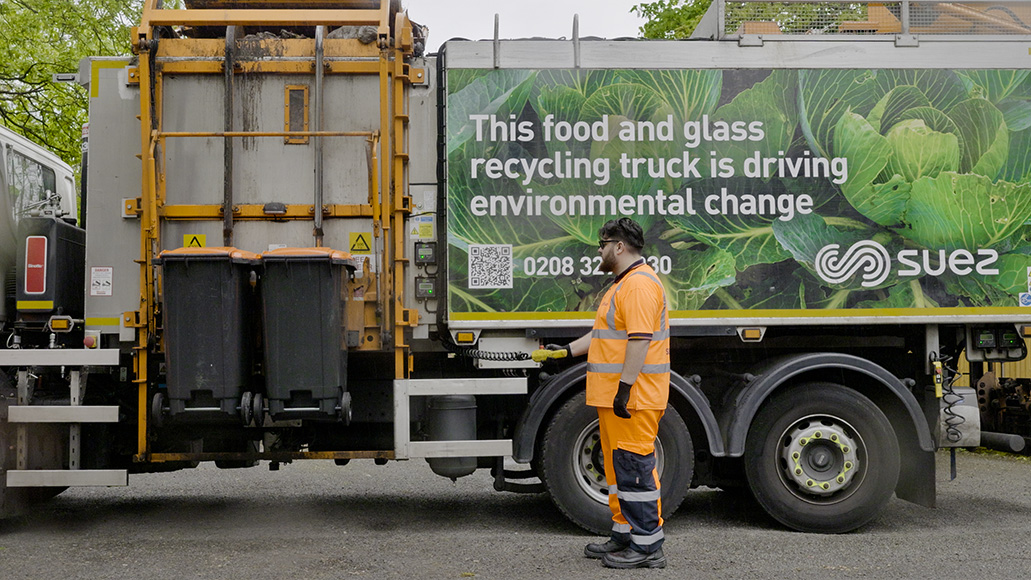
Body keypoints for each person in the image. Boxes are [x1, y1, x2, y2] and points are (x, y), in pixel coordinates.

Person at [532, 217, 671, 569]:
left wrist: (624, 389)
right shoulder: (623, 285)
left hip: (633, 399)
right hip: (617, 399)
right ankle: (624, 534)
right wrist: (565, 351)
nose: (599, 250)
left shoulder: (638, 285)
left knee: (635, 470)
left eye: (603, 244)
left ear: (619, 247)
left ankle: (647, 547)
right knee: (619, 470)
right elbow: (603, 336)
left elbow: (639, 341)